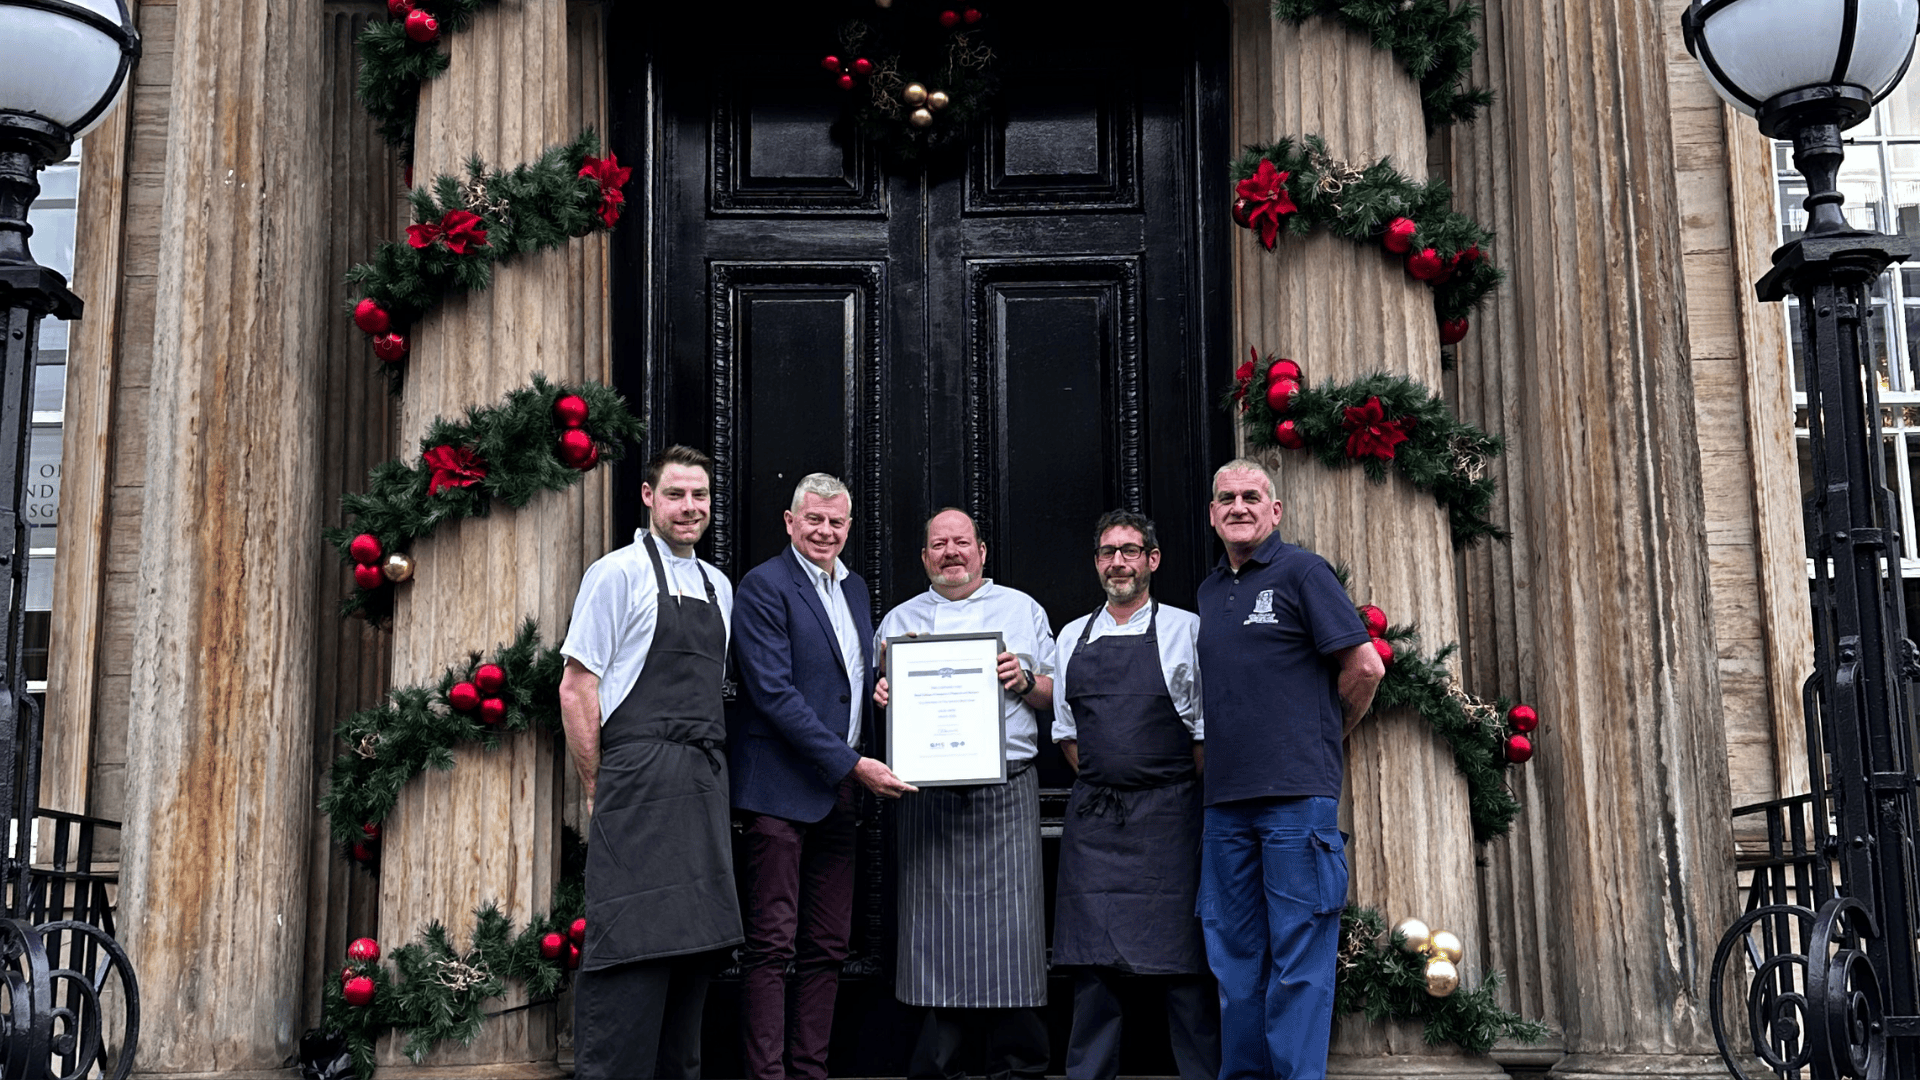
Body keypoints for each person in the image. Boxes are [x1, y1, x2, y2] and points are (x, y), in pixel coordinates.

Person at [1195, 458, 1385, 1079]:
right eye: (1226, 498)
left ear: (1274, 510)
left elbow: (1365, 667)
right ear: (1212, 514)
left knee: (1299, 962)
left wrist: (1329, 733)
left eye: (1252, 497)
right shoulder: (1209, 591)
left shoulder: (1303, 571)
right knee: (1234, 963)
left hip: (1296, 804)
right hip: (1225, 806)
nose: (1238, 507)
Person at [558, 445, 741, 1080]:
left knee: (693, 957)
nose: (690, 508)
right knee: (629, 948)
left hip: (702, 786)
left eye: (700, 496)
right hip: (636, 783)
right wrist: (596, 786)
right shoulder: (616, 574)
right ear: (647, 497)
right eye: (675, 495)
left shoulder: (719, 587)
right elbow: (577, 688)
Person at [729, 473, 917, 1079]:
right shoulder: (763, 586)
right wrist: (854, 764)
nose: (825, 531)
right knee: (771, 945)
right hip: (779, 791)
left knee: (828, 946)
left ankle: (809, 1071)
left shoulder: (854, 588)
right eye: (814, 519)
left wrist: (881, 690)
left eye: (836, 522)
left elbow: (846, 680)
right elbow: (774, 694)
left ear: (849, 526)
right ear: (790, 522)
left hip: (839, 794)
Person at [872, 508, 1057, 1080]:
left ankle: (1019, 1066)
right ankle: (937, 1068)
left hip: (1008, 789)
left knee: (1014, 934)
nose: (951, 552)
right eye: (939, 544)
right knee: (932, 936)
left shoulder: (1023, 610)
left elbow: (1056, 696)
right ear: (924, 557)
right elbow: (879, 696)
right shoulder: (899, 621)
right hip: (926, 797)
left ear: (981, 551)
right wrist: (884, 692)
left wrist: (1024, 680)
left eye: (961, 542)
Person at [1051, 510, 1219, 1080]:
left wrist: (1154, 783)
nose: (1118, 562)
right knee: (1092, 968)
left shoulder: (1187, 630)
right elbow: (1067, 735)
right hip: (1096, 823)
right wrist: (1113, 777)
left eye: (1129, 551)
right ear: (1097, 562)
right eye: (1107, 552)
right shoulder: (1071, 636)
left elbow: (1204, 736)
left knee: (1184, 968)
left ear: (1152, 559)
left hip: (1171, 820)